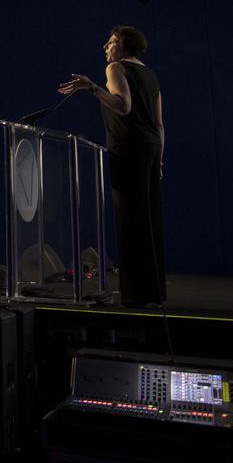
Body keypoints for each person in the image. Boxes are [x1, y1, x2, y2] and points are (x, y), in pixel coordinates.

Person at [59, 25, 165, 307]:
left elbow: (123, 106)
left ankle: (134, 296)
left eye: (112, 41)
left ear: (124, 46)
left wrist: (92, 88)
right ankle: (152, 293)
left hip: (128, 147)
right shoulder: (150, 74)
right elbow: (158, 124)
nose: (106, 46)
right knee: (149, 221)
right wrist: (160, 160)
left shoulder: (115, 68)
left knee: (130, 220)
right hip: (151, 148)